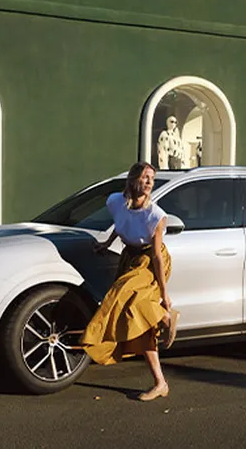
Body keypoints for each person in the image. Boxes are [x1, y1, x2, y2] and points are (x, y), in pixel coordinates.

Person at [80, 161, 180, 401]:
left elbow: (156, 255)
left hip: (150, 261)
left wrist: (164, 294)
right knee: (134, 318)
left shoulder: (155, 215)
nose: (148, 183)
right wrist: (106, 243)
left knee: (121, 295)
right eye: (145, 177)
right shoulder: (116, 201)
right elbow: (121, 223)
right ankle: (160, 383)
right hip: (130, 257)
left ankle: (165, 315)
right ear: (133, 179)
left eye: (152, 179)